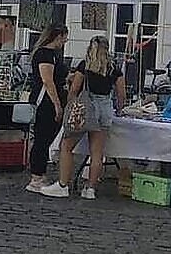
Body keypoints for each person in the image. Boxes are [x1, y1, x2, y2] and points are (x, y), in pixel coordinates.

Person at [38, 35, 124, 199]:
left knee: (66, 146)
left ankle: (63, 185)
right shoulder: (114, 68)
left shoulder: (85, 65)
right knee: (97, 153)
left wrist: (70, 106)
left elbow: (74, 89)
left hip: (86, 108)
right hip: (105, 109)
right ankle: (90, 189)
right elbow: (121, 93)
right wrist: (119, 109)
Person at [25, 22, 70, 193]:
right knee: (42, 138)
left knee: (46, 137)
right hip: (45, 101)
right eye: (64, 38)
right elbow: (47, 81)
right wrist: (57, 104)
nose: (64, 42)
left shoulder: (54, 55)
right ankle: (36, 177)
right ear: (58, 36)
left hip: (54, 98)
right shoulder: (45, 54)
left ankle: (40, 174)